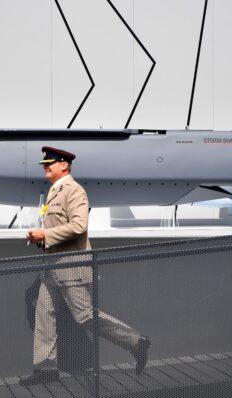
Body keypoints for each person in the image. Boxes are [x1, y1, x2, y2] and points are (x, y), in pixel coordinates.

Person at [21, 146, 150, 386]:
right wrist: (39, 238)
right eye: (44, 163)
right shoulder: (54, 191)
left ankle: (135, 342)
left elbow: (79, 226)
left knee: (85, 316)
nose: (45, 166)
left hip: (70, 267)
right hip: (51, 267)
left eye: (50, 163)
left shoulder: (74, 191)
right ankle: (45, 369)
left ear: (64, 166)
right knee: (44, 317)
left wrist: (45, 234)